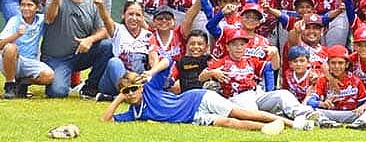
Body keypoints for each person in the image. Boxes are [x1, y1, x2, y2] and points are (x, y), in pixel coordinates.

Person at [101, 60, 292, 135]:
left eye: (134, 88)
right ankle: (267, 128)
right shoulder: (134, 112)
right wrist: (119, 98)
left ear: (140, 87)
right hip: (193, 118)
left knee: (242, 113)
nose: (132, 93)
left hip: (197, 98)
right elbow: (105, 120)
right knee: (227, 122)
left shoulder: (151, 87)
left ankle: (290, 123)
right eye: (127, 92)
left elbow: (167, 60)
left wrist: (151, 72)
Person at [40, 0, 112, 99]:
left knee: (107, 46)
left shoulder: (93, 2)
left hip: (80, 55)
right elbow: (49, 19)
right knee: (58, 92)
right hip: (57, 58)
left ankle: (90, 87)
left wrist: (89, 40)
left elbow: (104, 30)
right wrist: (56, 0)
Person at [95, 0, 167, 98]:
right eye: (130, 14)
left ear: (142, 18)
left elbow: (153, 59)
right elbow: (106, 20)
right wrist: (101, 6)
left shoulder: (148, 35)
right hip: (112, 82)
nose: (134, 18)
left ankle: (122, 96)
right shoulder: (118, 30)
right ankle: (129, 93)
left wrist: (151, 74)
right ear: (123, 15)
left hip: (138, 80)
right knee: (114, 62)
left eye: (138, 15)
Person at [306, 45, 366, 130]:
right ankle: (326, 123)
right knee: (308, 109)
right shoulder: (323, 80)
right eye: (333, 63)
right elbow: (310, 101)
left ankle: (359, 123)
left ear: (347, 64)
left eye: (340, 63)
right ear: (328, 64)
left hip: (350, 113)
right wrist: (321, 103)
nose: (337, 66)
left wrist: (365, 105)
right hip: (329, 113)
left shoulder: (355, 80)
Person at [0, 0, 54, 98]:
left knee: (49, 76)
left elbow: (51, 16)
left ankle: (22, 84)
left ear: (37, 7)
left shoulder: (41, 20)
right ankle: (10, 85)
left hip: (30, 62)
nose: (25, 8)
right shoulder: (14, 21)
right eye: (22, 5)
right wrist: (17, 35)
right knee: (10, 48)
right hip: (12, 61)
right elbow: (0, 45)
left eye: (30, 5)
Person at [170, 30, 211, 94]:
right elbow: (171, 77)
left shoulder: (210, 60)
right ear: (186, 45)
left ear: (207, 47)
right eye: (192, 44)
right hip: (186, 97)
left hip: (204, 96)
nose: (196, 47)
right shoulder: (181, 62)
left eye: (200, 44)